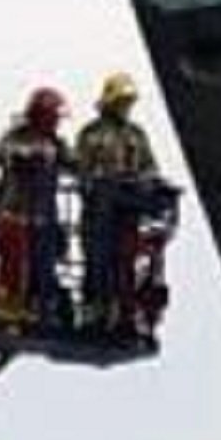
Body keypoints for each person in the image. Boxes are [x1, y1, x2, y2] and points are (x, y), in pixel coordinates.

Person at [73, 72, 163, 336]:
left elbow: (149, 167)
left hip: (128, 209)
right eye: (121, 101)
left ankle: (124, 314)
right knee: (96, 262)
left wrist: (148, 183)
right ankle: (93, 314)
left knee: (125, 262)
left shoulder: (137, 135)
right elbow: (81, 168)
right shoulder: (91, 133)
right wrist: (96, 180)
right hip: (98, 209)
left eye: (128, 102)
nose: (125, 107)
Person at [0, 85, 70, 330]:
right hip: (14, 210)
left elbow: (73, 161)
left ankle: (41, 308)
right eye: (53, 116)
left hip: (44, 215)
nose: (56, 122)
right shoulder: (17, 136)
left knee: (44, 263)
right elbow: (2, 152)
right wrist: (26, 155)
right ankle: (9, 308)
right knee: (13, 262)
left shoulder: (55, 142)